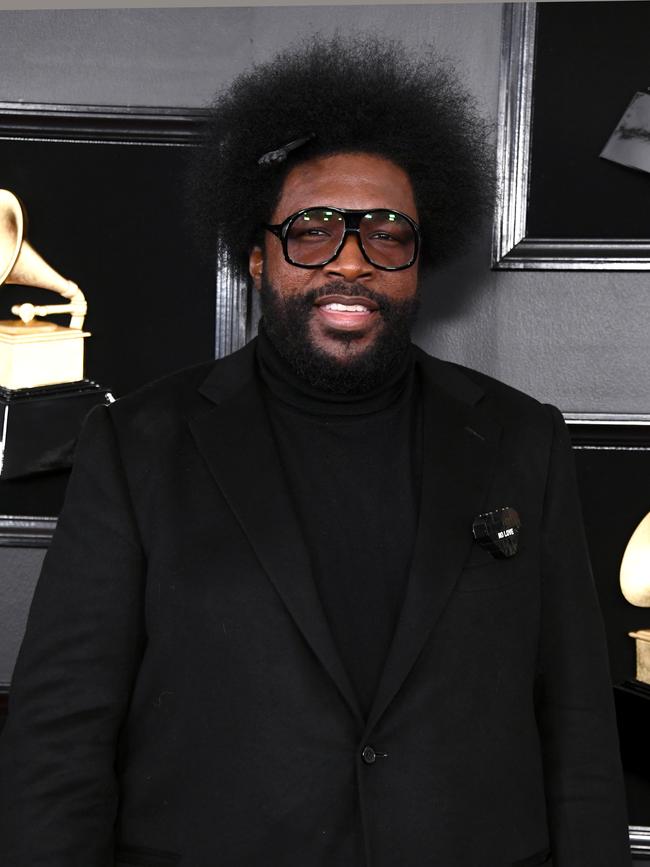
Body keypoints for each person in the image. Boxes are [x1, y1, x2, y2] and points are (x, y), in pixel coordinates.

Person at [0, 35, 631, 867]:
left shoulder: (521, 439)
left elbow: (578, 730)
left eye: (386, 235)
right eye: (313, 231)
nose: (350, 262)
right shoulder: (138, 443)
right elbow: (61, 734)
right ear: (257, 257)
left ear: (417, 262)